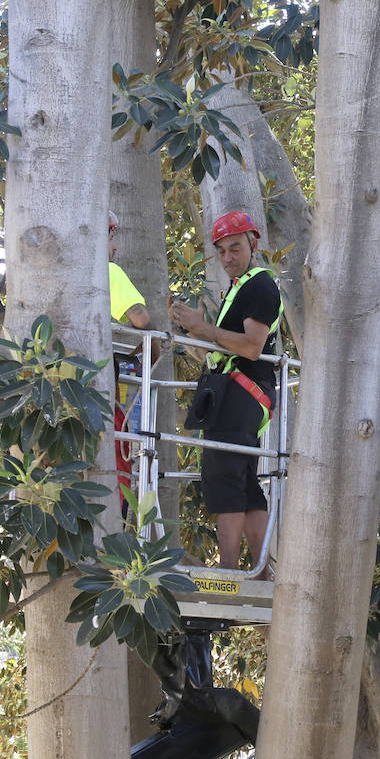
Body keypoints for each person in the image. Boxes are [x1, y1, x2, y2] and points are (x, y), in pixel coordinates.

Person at [169, 210, 281, 575]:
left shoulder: (259, 286)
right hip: (244, 394)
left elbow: (251, 346)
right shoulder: (241, 287)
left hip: (240, 394)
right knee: (246, 485)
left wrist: (204, 327)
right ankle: (261, 572)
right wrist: (196, 331)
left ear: (253, 243)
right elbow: (225, 349)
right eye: (222, 252)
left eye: (235, 248)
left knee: (225, 480)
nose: (229, 257)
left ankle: (229, 575)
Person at [108, 209, 157, 516]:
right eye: (111, 238)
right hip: (100, 398)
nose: (114, 248)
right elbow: (141, 318)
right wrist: (153, 346)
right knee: (117, 474)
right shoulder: (108, 271)